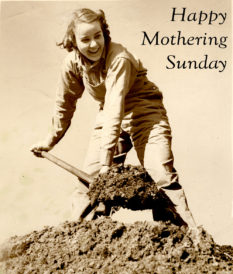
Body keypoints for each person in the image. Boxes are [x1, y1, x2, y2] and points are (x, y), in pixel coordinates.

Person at [31, 8, 196, 228]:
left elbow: (115, 106)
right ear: (74, 41)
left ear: (104, 33)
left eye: (97, 36)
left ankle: (188, 239)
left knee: (161, 175)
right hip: (107, 116)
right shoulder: (72, 64)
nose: (93, 45)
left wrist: (106, 165)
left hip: (144, 113)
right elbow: (65, 105)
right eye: (85, 39)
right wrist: (49, 141)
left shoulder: (120, 58)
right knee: (87, 183)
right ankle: (78, 237)